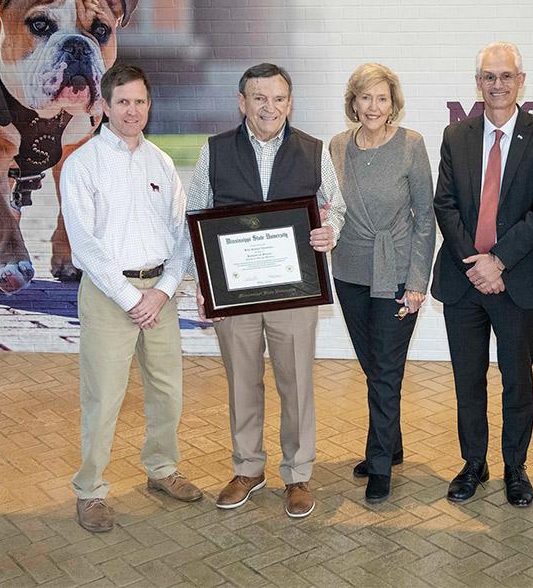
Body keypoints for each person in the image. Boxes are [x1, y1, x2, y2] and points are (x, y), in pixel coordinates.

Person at [187, 63, 345, 518]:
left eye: (278, 98)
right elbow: (196, 213)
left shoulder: (314, 151)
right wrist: (204, 282)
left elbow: (335, 208)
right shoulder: (214, 151)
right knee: (242, 382)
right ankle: (248, 468)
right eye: (259, 98)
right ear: (242, 102)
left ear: (289, 102)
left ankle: (297, 475)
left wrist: (329, 231)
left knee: (296, 385)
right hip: (234, 295)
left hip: (295, 292)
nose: (269, 107)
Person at [61, 65, 201, 533]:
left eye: (140, 101)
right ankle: (91, 490)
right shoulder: (83, 164)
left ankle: (162, 469)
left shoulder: (160, 163)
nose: (133, 110)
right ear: (102, 106)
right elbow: (85, 245)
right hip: (108, 295)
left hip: (159, 295)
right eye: (123, 101)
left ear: (149, 105)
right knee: (103, 397)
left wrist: (161, 292)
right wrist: (129, 297)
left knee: (167, 391)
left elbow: (181, 235)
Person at [432, 42, 533, 507]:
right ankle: (474, 464)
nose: (498, 85)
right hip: (464, 281)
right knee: (468, 379)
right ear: (478, 83)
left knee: (516, 380)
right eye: (490, 76)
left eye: (507, 76)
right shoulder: (456, 136)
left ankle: (515, 468)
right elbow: (443, 204)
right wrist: (475, 262)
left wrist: (499, 261)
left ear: (521, 81)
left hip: (517, 283)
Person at [329, 63, 435, 503]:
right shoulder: (337, 146)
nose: (373, 107)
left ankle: (379, 463)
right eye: (365, 97)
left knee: (387, 371)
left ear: (393, 104)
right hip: (349, 270)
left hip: (395, 274)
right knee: (374, 366)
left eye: (382, 98)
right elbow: (327, 204)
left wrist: (416, 282)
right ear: (353, 102)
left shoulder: (411, 145)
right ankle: (391, 444)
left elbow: (425, 218)